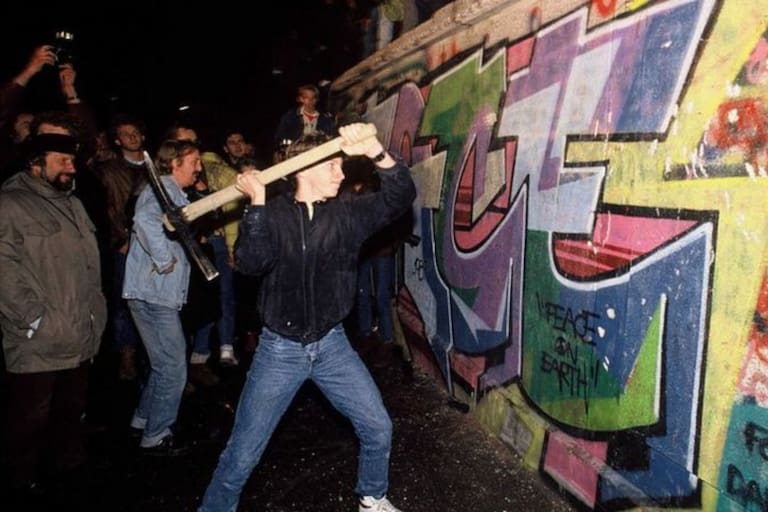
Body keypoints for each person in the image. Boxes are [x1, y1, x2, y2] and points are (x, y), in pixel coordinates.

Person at [198, 123, 416, 512]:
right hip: (280, 351)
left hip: (332, 345)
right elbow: (250, 262)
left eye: (341, 165)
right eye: (332, 165)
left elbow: (400, 197)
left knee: (378, 426)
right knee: (243, 452)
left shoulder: (348, 212)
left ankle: (372, 497)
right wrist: (257, 206)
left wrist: (375, 151)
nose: (342, 173)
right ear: (302, 169)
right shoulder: (275, 212)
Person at [0, 131, 107, 499]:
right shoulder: (10, 204)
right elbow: (3, 268)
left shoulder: (72, 203)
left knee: (70, 413)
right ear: (35, 164)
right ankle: (20, 482)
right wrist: (32, 319)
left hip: (78, 331)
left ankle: (68, 475)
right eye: (61, 160)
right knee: (30, 419)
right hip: (38, 338)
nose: (70, 167)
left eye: (72, 160)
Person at [121, 139, 202, 456]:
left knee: (162, 364)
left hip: (150, 293)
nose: (198, 167)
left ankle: (142, 421)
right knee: (174, 368)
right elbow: (144, 222)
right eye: (193, 160)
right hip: (154, 294)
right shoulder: (163, 187)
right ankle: (157, 435)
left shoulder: (170, 191)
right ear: (174, 163)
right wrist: (162, 259)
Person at [273, 84, 336, 162]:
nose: (310, 101)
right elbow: (280, 137)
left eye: (313, 98)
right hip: (294, 155)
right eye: (306, 98)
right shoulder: (290, 117)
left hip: (316, 155)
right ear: (300, 99)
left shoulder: (325, 119)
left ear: (317, 99)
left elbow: (330, 137)